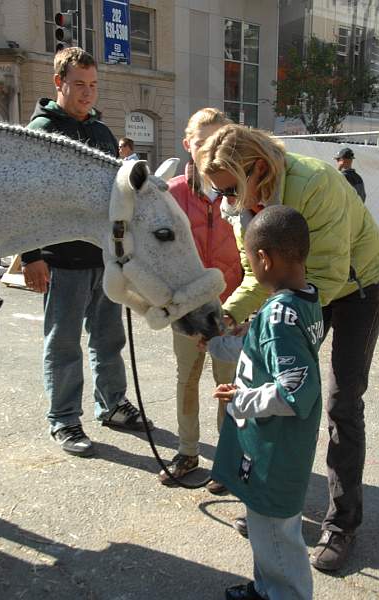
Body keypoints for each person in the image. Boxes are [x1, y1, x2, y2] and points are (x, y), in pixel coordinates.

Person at [196, 124, 379, 572]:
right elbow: (253, 269)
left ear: (258, 168)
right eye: (218, 192)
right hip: (302, 287)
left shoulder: (316, 182)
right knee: (272, 389)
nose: (226, 201)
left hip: (357, 287)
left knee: (339, 403)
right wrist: (231, 315)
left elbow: (331, 276)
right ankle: (273, 504)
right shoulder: (240, 202)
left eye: (230, 189)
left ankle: (342, 523)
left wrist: (274, 319)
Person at [21, 47, 153, 458]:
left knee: (108, 338)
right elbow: (24, 198)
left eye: (93, 85)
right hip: (59, 259)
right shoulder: (41, 129)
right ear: (58, 83)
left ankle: (112, 404)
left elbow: (112, 196)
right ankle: (63, 418)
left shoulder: (100, 133)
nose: (87, 93)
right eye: (79, 84)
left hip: (102, 257)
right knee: (63, 343)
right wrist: (31, 256)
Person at [209, 205, 322, 600]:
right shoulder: (304, 299)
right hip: (279, 444)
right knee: (264, 526)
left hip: (276, 446)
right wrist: (223, 339)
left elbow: (295, 392)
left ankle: (285, 594)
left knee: (275, 532)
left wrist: (242, 398)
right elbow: (268, 349)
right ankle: (265, 588)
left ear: (263, 258)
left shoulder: (279, 314)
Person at [158, 108, 243, 491]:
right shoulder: (169, 193)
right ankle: (187, 450)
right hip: (187, 309)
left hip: (232, 305)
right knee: (187, 379)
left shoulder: (241, 189)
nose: (210, 149)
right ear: (186, 144)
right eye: (201, 141)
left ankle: (227, 459)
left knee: (229, 382)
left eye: (218, 140)